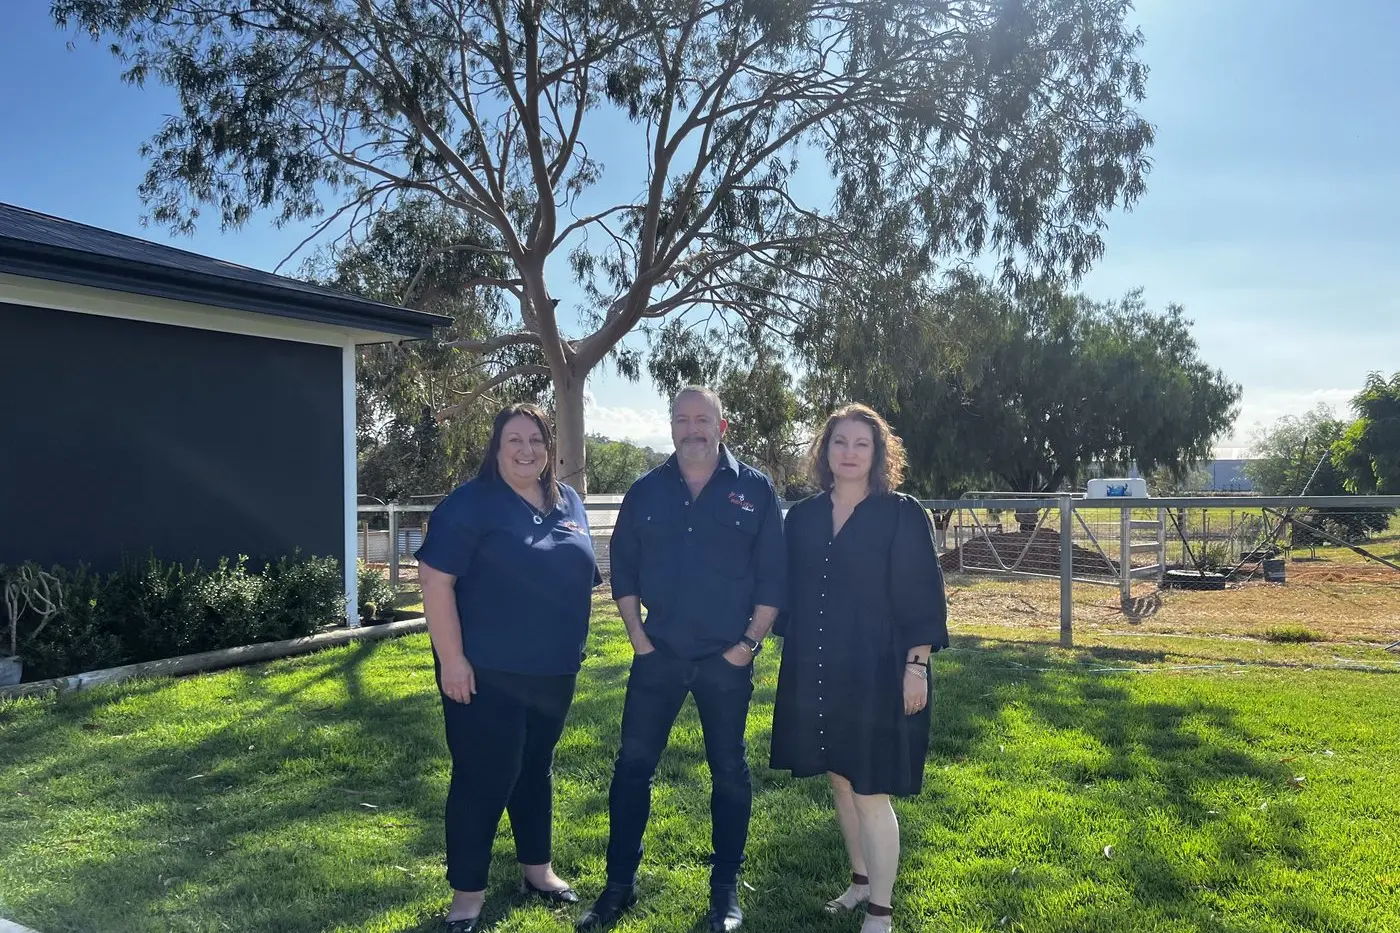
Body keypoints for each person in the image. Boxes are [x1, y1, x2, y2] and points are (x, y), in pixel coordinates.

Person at [576, 386, 786, 933]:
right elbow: (622, 567)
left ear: (722, 426)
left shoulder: (755, 489)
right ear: (670, 426)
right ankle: (617, 886)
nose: (691, 428)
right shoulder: (645, 490)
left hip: (726, 660)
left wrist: (747, 647)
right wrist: (639, 640)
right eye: (681, 419)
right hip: (659, 656)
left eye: (702, 419)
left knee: (730, 773)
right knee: (631, 770)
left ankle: (725, 895)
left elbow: (773, 578)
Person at [414, 403, 602, 933]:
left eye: (536, 440)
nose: (526, 451)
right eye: (514, 441)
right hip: (484, 671)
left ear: (550, 449)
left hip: (554, 670)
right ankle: (466, 898)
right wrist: (452, 660)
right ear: (495, 450)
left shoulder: (569, 502)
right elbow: (435, 580)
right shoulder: (470, 504)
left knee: (535, 769)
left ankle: (537, 870)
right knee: (483, 777)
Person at [769, 403, 950, 933]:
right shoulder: (801, 518)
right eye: (839, 442)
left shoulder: (901, 513)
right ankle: (860, 881)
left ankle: (882, 910)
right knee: (840, 780)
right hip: (819, 664)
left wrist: (916, 666)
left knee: (871, 788)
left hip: (881, 668)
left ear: (879, 453)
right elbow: (782, 588)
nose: (849, 453)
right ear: (825, 450)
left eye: (861, 444)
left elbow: (922, 594)